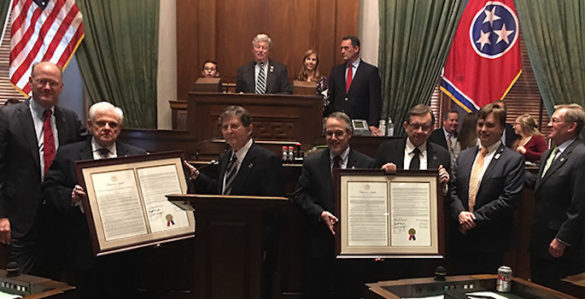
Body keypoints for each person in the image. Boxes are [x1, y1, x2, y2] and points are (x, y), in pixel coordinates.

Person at [41, 101, 146, 298]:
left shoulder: (136, 155)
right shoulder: (68, 154)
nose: (107, 128)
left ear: (120, 128)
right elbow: (49, 188)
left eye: (113, 124)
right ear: (90, 125)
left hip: (125, 246)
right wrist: (70, 196)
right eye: (101, 123)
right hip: (83, 244)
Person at [184, 105, 284, 299]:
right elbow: (223, 193)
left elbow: (275, 207)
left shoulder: (266, 159)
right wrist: (197, 176)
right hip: (226, 239)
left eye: (234, 126)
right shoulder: (225, 158)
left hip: (254, 243)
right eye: (225, 127)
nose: (229, 131)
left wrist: (264, 245)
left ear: (249, 129)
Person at [0, 61, 86, 274]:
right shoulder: (7, 117)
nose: (47, 87)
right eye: (41, 81)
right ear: (30, 82)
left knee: (54, 282)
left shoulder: (70, 119)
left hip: (59, 219)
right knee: (19, 283)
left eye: (53, 83)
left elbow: (90, 152)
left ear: (61, 87)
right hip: (19, 220)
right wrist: (1, 216)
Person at [292, 112, 375, 298]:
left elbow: (374, 204)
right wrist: (320, 213)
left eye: (338, 133)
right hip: (319, 245)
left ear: (349, 134)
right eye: (329, 134)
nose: (333, 138)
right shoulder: (312, 162)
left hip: (354, 249)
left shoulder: (366, 164)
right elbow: (300, 195)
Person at [447, 103, 525, 275]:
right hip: (460, 238)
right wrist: (460, 213)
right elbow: (452, 190)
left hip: (491, 240)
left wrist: (475, 218)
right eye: (480, 124)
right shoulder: (464, 156)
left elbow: (509, 200)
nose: (483, 129)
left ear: (502, 129)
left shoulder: (513, 160)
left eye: (490, 125)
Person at [526, 103, 585, 290]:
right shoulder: (548, 154)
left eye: (555, 120)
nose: (549, 125)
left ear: (571, 126)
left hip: (561, 246)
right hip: (540, 241)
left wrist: (562, 239)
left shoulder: (580, 156)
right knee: (537, 289)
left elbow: (580, 205)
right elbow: (541, 186)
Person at [375, 104, 451, 185]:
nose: (419, 131)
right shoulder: (386, 150)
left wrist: (444, 185)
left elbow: (449, 193)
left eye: (425, 127)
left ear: (431, 129)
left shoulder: (442, 155)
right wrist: (381, 174)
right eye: (415, 126)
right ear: (406, 126)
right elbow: (374, 184)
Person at [327, 35, 382, 136]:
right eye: (341, 48)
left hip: (360, 126)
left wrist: (373, 124)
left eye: (346, 48)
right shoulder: (336, 71)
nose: (342, 51)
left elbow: (375, 101)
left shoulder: (370, 71)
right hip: (338, 124)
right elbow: (331, 98)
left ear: (356, 49)